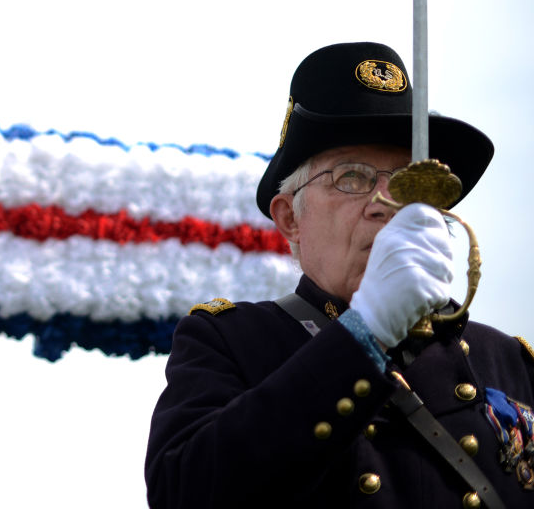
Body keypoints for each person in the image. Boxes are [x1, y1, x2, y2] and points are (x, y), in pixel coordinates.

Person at [144, 42, 534, 508]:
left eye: (411, 179)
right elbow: (184, 492)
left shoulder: (510, 360)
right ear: (290, 218)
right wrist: (366, 332)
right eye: (352, 177)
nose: (385, 203)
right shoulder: (230, 340)